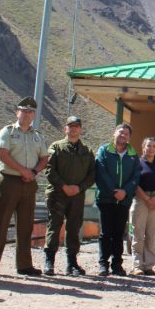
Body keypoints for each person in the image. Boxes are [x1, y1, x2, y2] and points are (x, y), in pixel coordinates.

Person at [0, 97, 48, 277]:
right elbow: (2, 153)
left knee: (26, 225)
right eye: (23, 110)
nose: (27, 114)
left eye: (30, 111)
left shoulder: (37, 135)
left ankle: (24, 264)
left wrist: (33, 172)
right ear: (17, 112)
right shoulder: (8, 131)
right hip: (10, 180)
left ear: (34, 115)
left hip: (29, 183)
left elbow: (44, 158)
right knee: (1, 222)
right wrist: (22, 170)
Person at [43, 115, 95, 276]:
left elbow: (92, 174)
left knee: (74, 228)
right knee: (54, 226)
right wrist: (64, 186)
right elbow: (49, 170)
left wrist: (79, 188)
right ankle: (49, 262)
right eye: (70, 126)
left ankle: (72, 263)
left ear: (80, 129)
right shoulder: (56, 147)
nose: (73, 129)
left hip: (77, 196)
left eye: (76, 126)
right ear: (65, 128)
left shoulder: (87, 151)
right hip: (58, 194)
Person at [95, 123, 140, 276]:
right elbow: (101, 172)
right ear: (114, 133)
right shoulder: (104, 151)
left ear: (129, 137)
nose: (123, 135)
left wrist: (125, 191)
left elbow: (136, 177)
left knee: (119, 233)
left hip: (124, 201)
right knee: (106, 233)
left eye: (126, 134)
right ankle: (103, 264)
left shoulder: (133, 155)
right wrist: (114, 191)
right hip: (106, 199)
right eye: (121, 132)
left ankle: (117, 265)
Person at [130, 136, 155, 275]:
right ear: (143, 147)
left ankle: (149, 266)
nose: (151, 149)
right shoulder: (137, 164)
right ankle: (137, 266)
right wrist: (146, 199)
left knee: (151, 236)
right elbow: (135, 184)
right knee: (138, 234)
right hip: (141, 199)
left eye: (154, 146)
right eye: (148, 146)